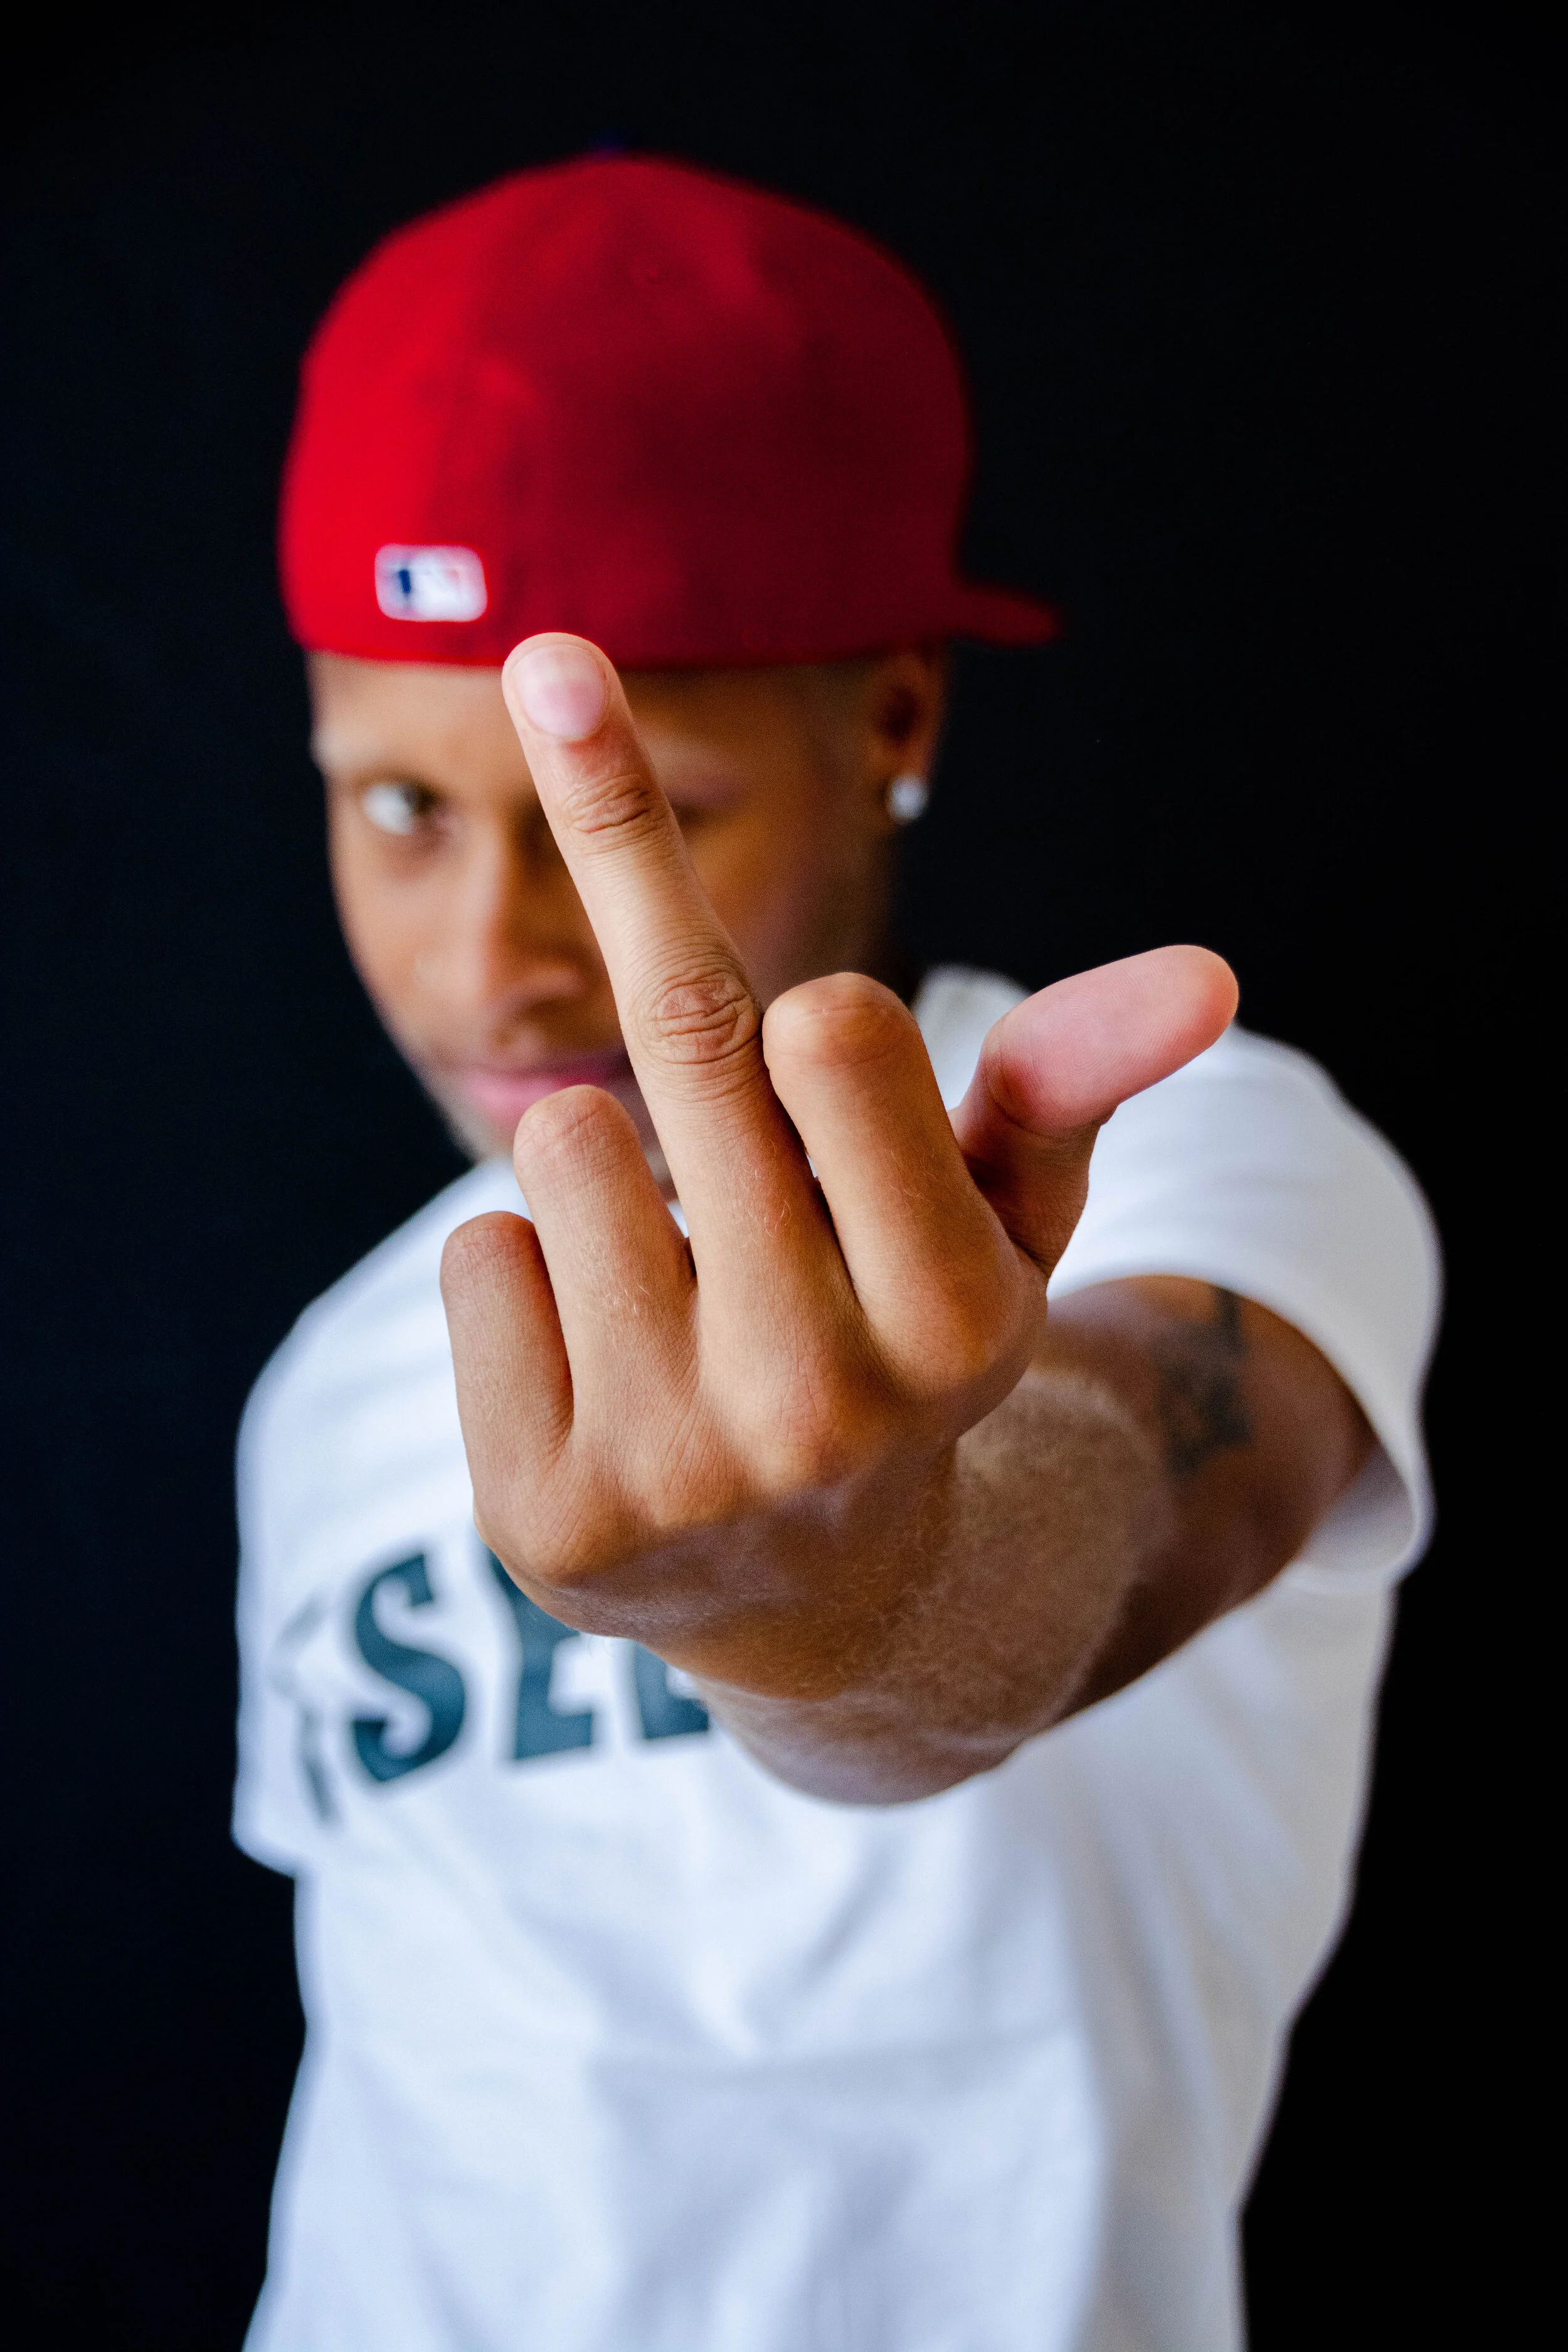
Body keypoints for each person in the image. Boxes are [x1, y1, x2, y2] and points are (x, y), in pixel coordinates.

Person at [236, 154, 1439, 2349]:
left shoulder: (1191, 1162)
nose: (493, 955)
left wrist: (836, 1615)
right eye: (397, 807)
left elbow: (1075, 1532)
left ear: (890, 722)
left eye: (645, 811)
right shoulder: (337, 1372)